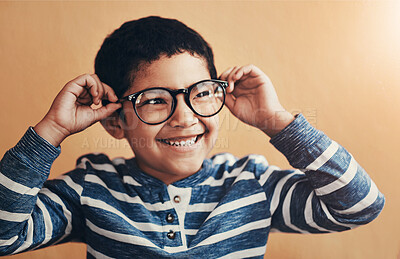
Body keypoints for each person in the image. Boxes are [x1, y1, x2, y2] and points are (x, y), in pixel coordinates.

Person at [0, 16, 384, 258]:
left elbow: (360, 205)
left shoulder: (253, 185)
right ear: (115, 121)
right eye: (154, 100)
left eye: (200, 92)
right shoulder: (91, 190)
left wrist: (277, 122)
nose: (185, 118)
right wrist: (49, 132)